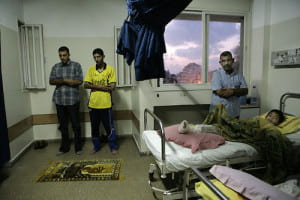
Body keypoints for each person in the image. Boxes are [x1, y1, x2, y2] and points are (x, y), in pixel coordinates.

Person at [49, 46, 83, 155]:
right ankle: (64, 147)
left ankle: (78, 148)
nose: (62, 57)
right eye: (60, 55)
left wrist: (62, 80)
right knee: (63, 126)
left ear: (69, 55)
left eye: (64, 55)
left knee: (75, 125)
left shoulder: (76, 65)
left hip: (73, 100)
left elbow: (78, 81)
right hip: (59, 100)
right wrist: (68, 81)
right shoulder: (55, 67)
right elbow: (51, 81)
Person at [84, 48, 118, 155]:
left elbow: (112, 87)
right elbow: (85, 85)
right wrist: (103, 86)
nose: (96, 59)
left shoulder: (110, 69)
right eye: (94, 57)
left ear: (103, 56)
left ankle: (113, 147)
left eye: (98, 57)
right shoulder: (91, 70)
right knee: (95, 127)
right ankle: (96, 146)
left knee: (109, 127)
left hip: (106, 104)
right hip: (93, 104)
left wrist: (93, 86)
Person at [210, 51, 248, 118]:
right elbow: (220, 92)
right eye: (224, 61)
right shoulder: (217, 75)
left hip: (234, 113)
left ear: (233, 60)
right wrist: (237, 91)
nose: (226, 63)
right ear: (220, 63)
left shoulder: (239, 75)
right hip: (219, 114)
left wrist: (232, 91)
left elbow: (245, 91)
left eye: (228, 60)